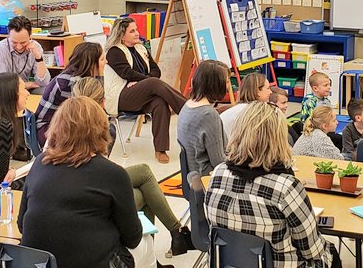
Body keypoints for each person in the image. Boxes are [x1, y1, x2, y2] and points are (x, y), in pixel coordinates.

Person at [19, 97, 159, 268]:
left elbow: (22, 224)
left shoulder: (38, 165)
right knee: (144, 247)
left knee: (96, 250)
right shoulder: (112, 174)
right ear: (100, 129)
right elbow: (132, 237)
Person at [205, 103, 346, 268]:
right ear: (279, 138)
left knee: (261, 248)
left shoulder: (217, 173)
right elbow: (311, 250)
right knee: (329, 254)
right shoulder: (284, 186)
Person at [70, 78, 194, 268]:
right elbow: (102, 174)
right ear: (101, 102)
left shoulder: (63, 127)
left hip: (79, 196)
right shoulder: (103, 130)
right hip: (95, 198)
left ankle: (170, 239)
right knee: (145, 188)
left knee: (144, 177)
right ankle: (166, 244)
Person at [104, 17, 187, 163]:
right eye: (132, 31)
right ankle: (187, 109)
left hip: (139, 94)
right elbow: (126, 73)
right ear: (122, 36)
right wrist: (147, 80)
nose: (137, 33)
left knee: (160, 102)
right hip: (121, 97)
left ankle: (160, 149)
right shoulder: (114, 52)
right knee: (153, 82)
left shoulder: (141, 48)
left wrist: (142, 81)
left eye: (136, 29)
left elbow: (156, 70)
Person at [34, 42, 105, 142]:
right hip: (49, 130)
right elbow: (84, 115)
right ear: (91, 64)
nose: (106, 62)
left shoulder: (83, 77)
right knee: (103, 133)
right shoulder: (70, 82)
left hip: (62, 125)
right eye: (102, 59)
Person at [177, 60, 229, 175]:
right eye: (226, 82)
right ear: (216, 84)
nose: (228, 86)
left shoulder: (187, 105)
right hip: (206, 176)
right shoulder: (208, 115)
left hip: (193, 175)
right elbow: (219, 162)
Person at [0, 15, 52, 93]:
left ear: (30, 36)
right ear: (8, 36)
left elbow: (44, 82)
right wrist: (28, 85)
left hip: (22, 91)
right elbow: (0, 85)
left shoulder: (36, 47)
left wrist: (38, 57)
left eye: (23, 42)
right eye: (14, 42)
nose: (19, 47)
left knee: (46, 91)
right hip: (0, 92)